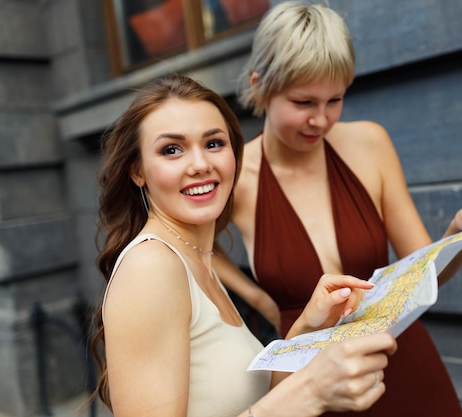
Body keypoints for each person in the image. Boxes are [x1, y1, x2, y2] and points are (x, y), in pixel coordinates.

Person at [212, 2, 462, 417]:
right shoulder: (234, 176)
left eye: (335, 99)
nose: (321, 119)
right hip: (309, 381)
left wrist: (461, 231)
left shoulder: (370, 144)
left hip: (400, 361)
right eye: (303, 102)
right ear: (260, 86)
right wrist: (256, 298)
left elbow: (422, 273)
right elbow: (195, 247)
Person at [89, 73, 398, 417]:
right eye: (171, 150)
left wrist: (308, 329)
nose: (201, 165)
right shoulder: (151, 268)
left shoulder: (194, 258)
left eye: (213, 143)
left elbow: (248, 401)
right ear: (137, 171)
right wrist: (309, 392)